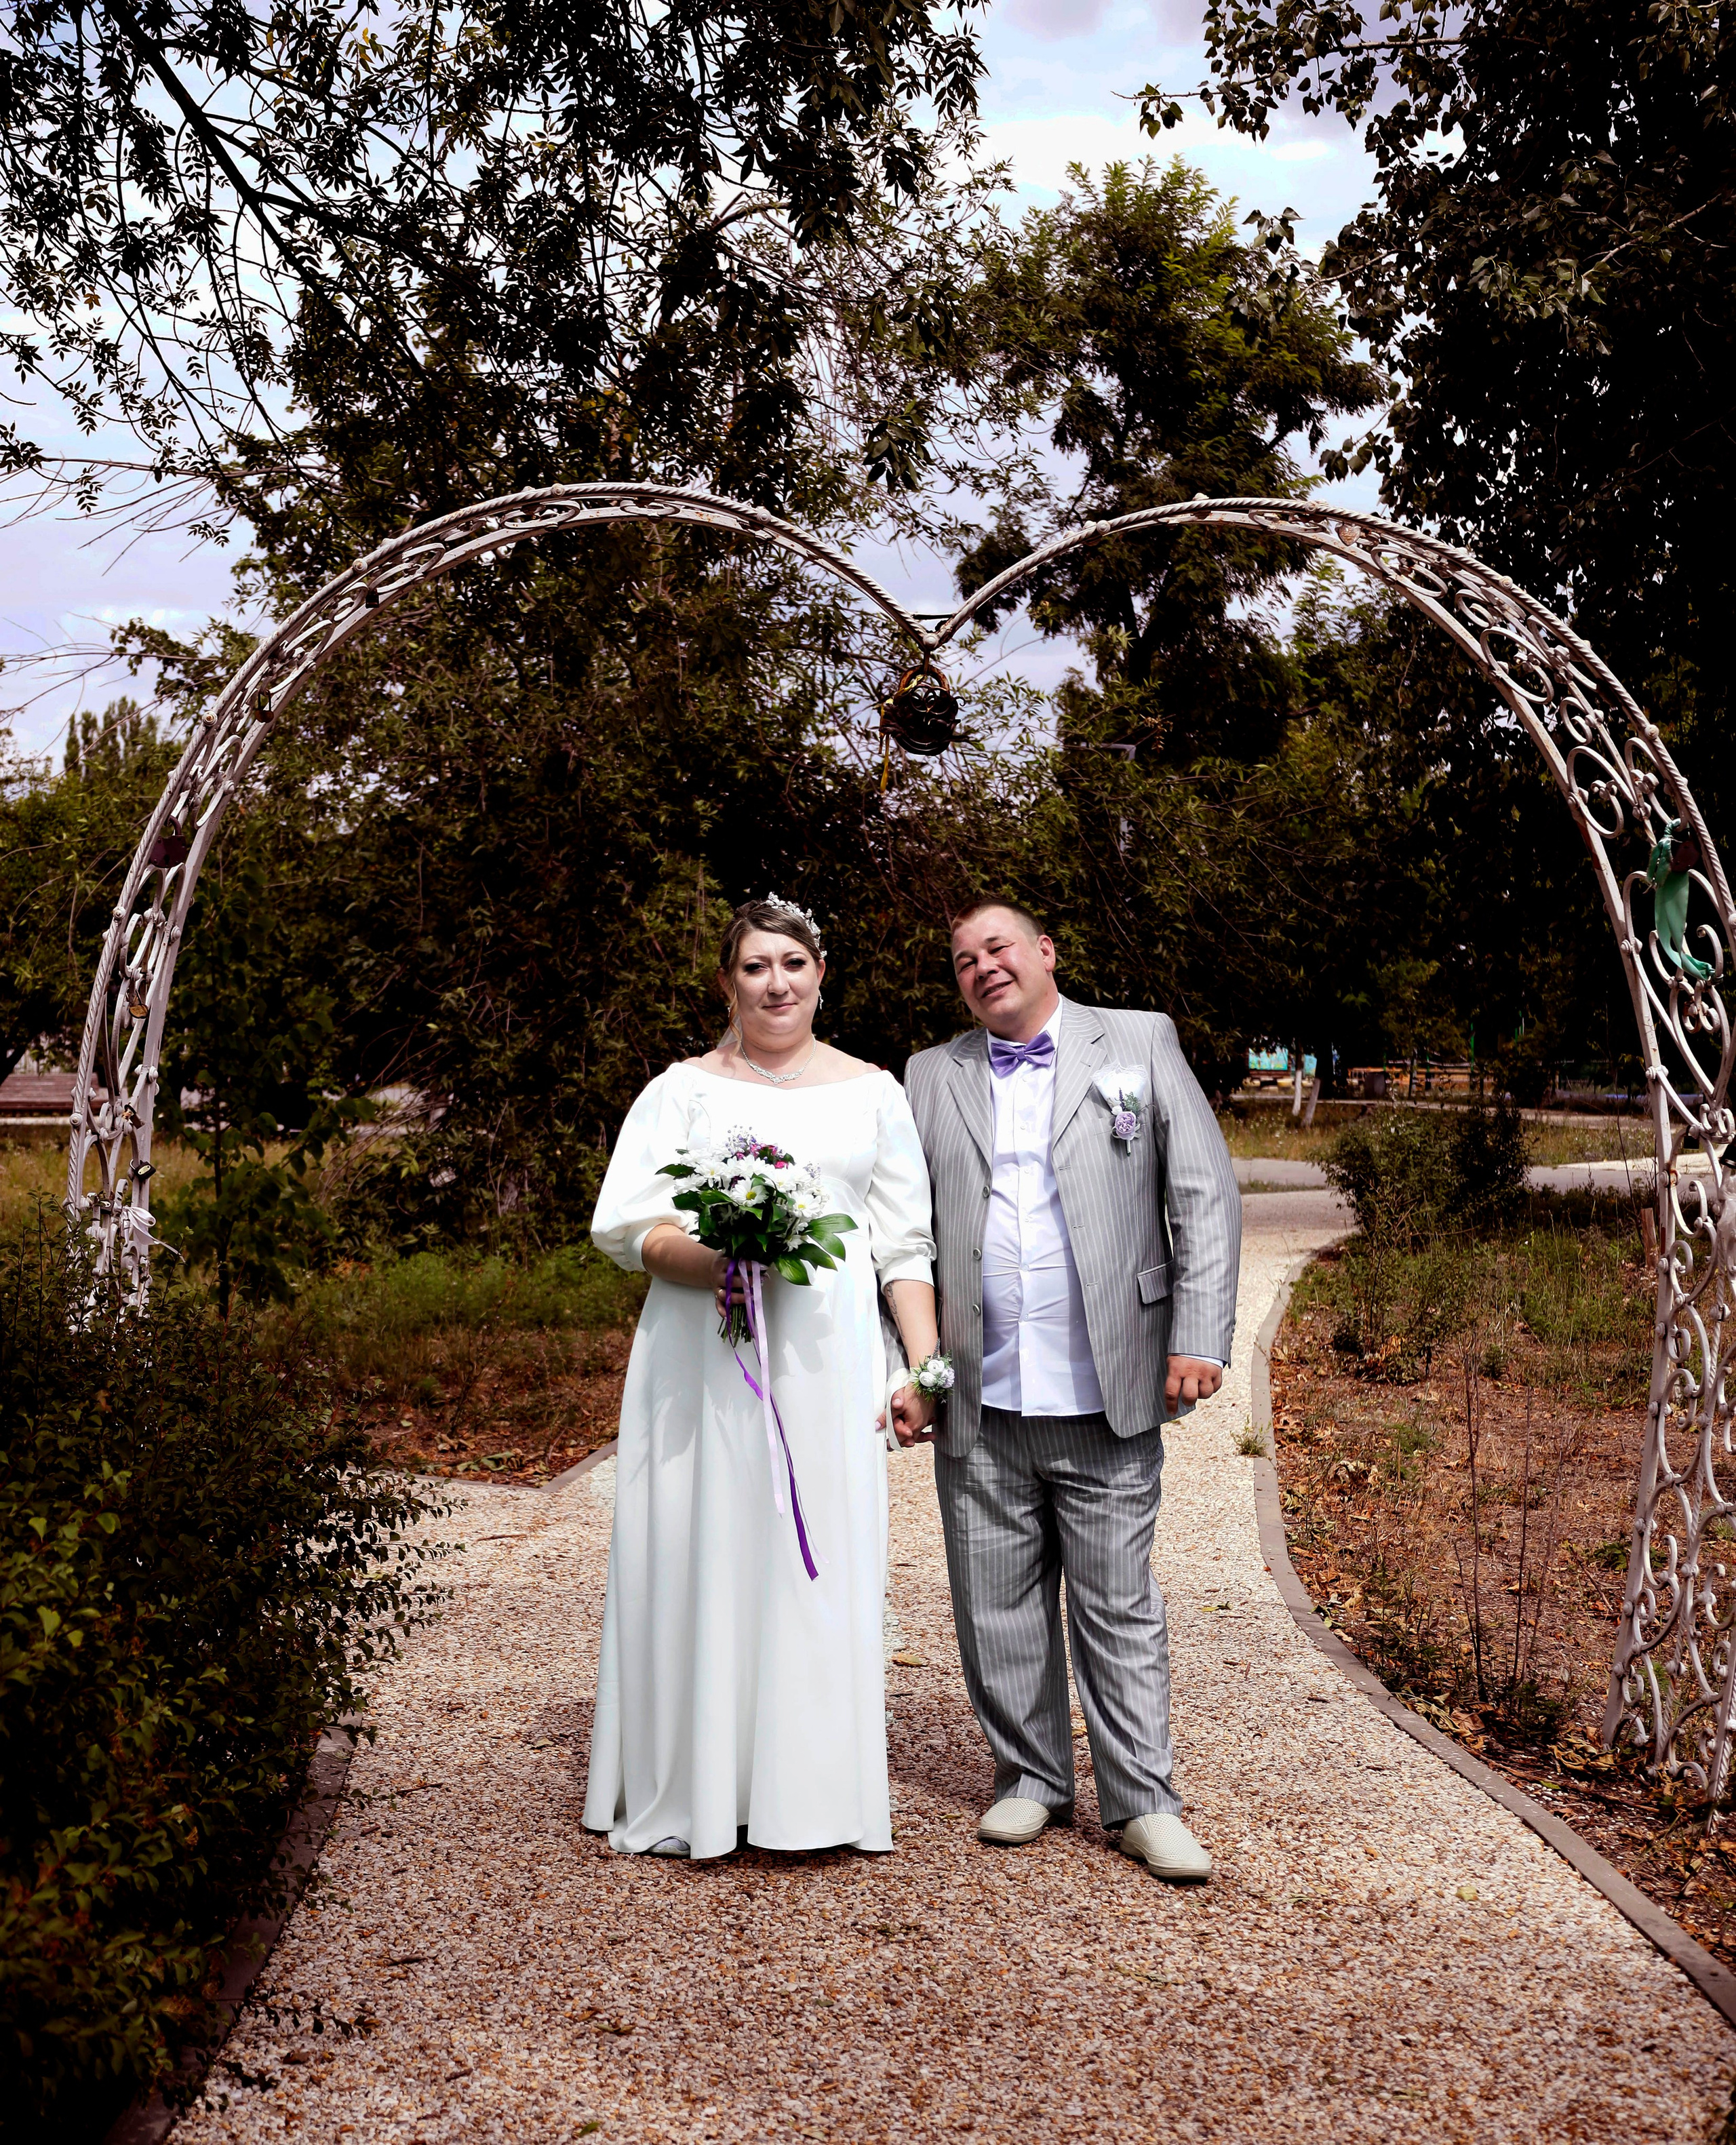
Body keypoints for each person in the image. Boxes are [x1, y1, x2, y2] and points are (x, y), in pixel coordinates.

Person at [584, 897, 939, 1860]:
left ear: (821, 974)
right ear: (728, 982)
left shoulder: (874, 1093)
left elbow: (905, 1244)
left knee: (813, 1555)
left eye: (792, 962)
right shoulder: (680, 1091)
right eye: (754, 967)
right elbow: (636, 1231)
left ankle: (812, 1794)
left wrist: (924, 1369)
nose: (775, 983)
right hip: (703, 1361)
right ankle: (702, 1786)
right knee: (706, 1545)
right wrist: (720, 1267)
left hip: (827, 1368)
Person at [896, 901, 1241, 1881]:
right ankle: (1031, 1779)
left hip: (1108, 1387)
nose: (982, 968)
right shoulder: (932, 1074)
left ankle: (1144, 1802)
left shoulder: (1136, 1041)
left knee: (1116, 1603)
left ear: (1045, 952)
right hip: (983, 1393)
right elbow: (905, 1234)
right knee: (993, 1602)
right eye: (962, 960)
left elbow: (1202, 1193)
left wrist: (1200, 1335)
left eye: (997, 948)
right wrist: (919, 1372)